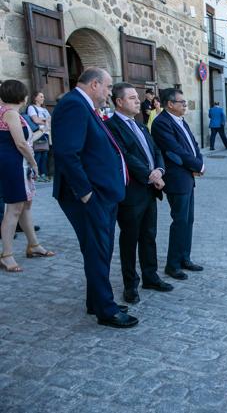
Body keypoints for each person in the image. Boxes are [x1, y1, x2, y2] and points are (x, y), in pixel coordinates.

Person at [52, 68, 137, 327]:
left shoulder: (83, 105)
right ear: (95, 84)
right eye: (109, 88)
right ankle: (106, 310)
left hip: (100, 193)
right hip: (88, 196)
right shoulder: (74, 106)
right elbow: (67, 153)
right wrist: (86, 193)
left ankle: (96, 300)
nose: (110, 93)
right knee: (98, 250)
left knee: (98, 249)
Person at [106, 83, 174, 305]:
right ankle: (130, 285)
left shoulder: (142, 126)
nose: (139, 101)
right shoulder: (112, 126)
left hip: (149, 191)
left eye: (137, 97)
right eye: (133, 98)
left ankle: (150, 277)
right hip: (131, 193)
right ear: (119, 102)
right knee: (130, 239)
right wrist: (151, 175)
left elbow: (156, 151)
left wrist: (160, 169)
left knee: (149, 235)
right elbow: (125, 156)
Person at [0, 80, 55, 272]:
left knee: (24, 206)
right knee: (15, 208)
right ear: (22, 96)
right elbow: (21, 143)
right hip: (15, 164)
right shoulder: (11, 113)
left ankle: (33, 244)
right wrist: (33, 163)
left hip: (12, 163)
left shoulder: (4, 111)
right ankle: (6, 255)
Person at [151, 88, 205, 281]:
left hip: (187, 176)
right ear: (170, 104)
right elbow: (175, 151)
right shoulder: (161, 123)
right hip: (176, 179)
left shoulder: (180, 120)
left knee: (188, 220)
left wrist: (199, 162)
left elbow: (192, 145)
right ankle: (172, 265)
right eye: (181, 102)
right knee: (180, 220)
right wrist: (198, 165)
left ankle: (184, 258)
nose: (185, 104)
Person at [27, 92, 51, 182]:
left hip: (46, 133)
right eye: (41, 96)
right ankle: (36, 174)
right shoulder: (31, 107)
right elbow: (35, 120)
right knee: (38, 154)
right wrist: (46, 121)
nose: (43, 98)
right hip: (38, 133)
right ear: (35, 98)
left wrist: (43, 120)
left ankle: (43, 174)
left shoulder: (44, 109)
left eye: (43, 96)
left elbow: (50, 120)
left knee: (44, 155)